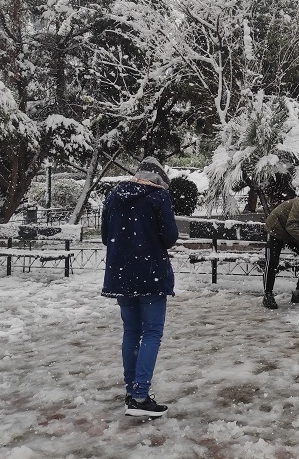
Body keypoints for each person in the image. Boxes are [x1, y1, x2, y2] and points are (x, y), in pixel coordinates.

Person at [101, 156, 178, 418]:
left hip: (120, 273)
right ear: (159, 179)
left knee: (131, 331)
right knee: (153, 332)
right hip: (150, 272)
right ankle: (140, 396)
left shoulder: (114, 196)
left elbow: (104, 236)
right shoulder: (158, 197)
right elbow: (170, 237)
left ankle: (131, 390)